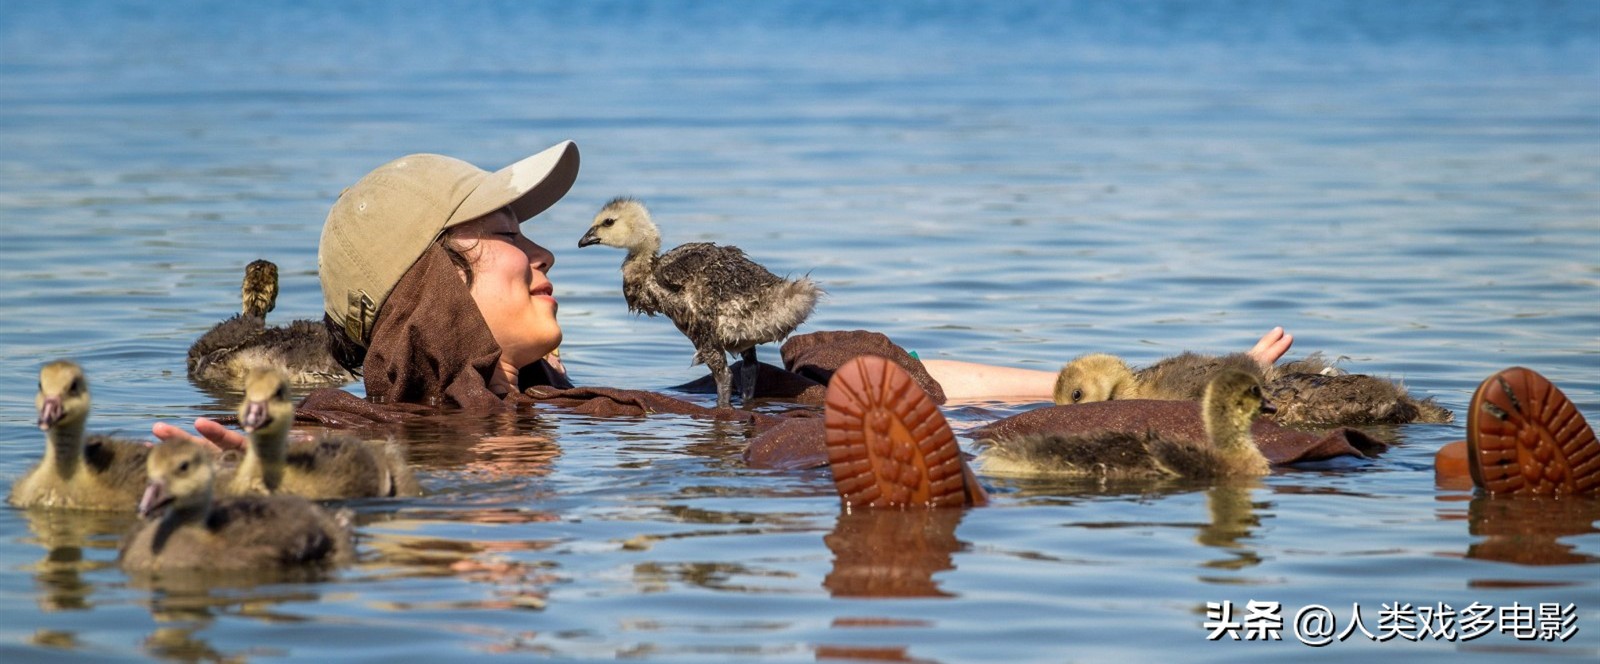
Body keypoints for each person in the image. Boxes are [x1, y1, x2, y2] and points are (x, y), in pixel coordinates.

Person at [152, 139, 1297, 453]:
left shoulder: (588, 401)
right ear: (431, 288)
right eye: (508, 238)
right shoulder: (381, 430)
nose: (543, 254)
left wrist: (1145, 378)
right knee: (821, 430)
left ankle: (1195, 417)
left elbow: (923, 377)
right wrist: (240, 459)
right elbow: (307, 453)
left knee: (828, 371)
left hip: (722, 446)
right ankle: (894, 527)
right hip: (771, 477)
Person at [821, 358, 1600, 508]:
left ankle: (963, 495)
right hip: (1250, 447)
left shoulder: (789, 375)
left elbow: (919, 383)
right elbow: (922, 381)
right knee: (1337, 460)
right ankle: (1463, 473)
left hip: (1005, 432)